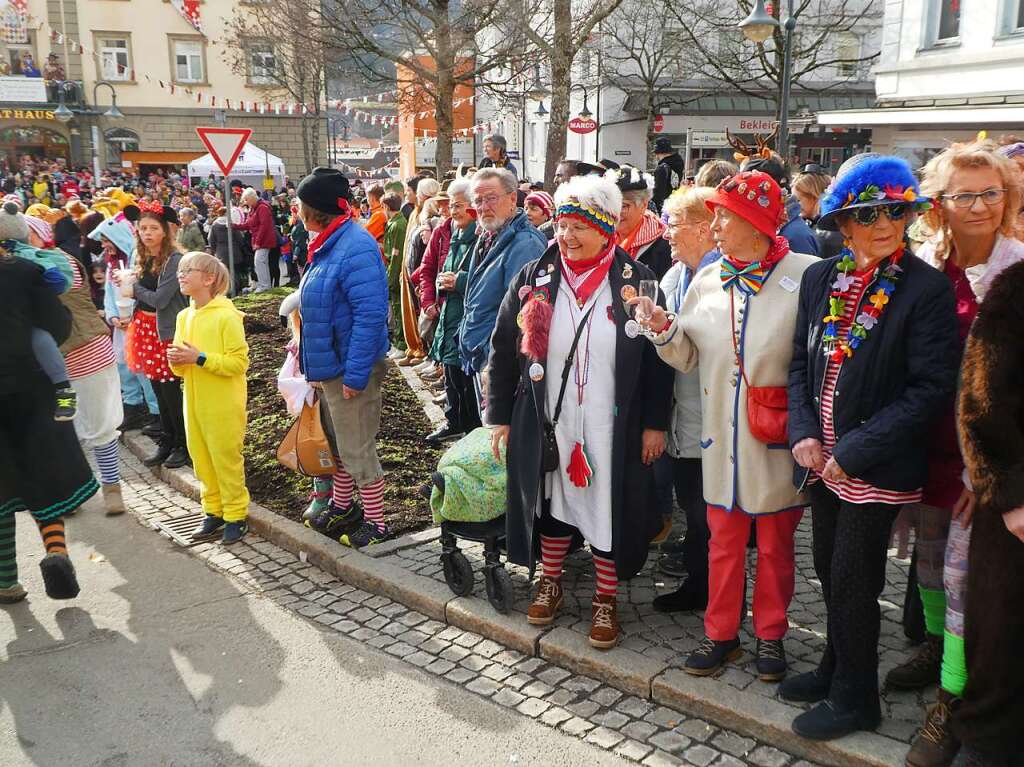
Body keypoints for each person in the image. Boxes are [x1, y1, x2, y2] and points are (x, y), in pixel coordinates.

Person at [786, 155, 958, 741]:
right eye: (868, 213)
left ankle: (857, 698)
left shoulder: (925, 288)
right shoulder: (819, 278)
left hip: (874, 463)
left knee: (855, 579)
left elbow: (930, 388)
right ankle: (834, 667)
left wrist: (855, 449)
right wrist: (804, 432)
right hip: (822, 460)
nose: (885, 224)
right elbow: (798, 367)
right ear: (844, 222)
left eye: (895, 211)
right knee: (829, 571)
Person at [636, 170, 816, 681]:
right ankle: (721, 635)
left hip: (777, 442)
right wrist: (663, 330)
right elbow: (689, 356)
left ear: (756, 224)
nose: (714, 224)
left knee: (778, 547)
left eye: (724, 216)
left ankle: (771, 637)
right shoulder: (708, 278)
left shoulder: (806, 274)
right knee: (723, 543)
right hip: (721, 440)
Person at [488, 174, 673, 649]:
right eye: (562, 225)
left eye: (579, 227)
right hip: (550, 416)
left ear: (607, 227)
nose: (566, 237)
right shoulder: (536, 277)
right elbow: (504, 348)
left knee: (606, 506)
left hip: (613, 422)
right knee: (551, 498)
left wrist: (655, 424)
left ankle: (606, 598)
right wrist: (500, 417)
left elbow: (658, 363)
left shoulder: (639, 283)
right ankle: (550, 580)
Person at [897, 139, 1024, 767]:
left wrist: (993, 468)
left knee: (968, 581)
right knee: (927, 565)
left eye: (991, 193)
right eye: (963, 195)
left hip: (984, 461)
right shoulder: (924, 262)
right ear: (938, 205)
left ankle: (956, 698)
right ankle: (935, 653)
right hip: (927, 449)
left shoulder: (1018, 269)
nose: (979, 207)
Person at [952, 260, 1024, 767]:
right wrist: (1011, 497)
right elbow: (981, 400)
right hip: (1017, 506)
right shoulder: (1016, 290)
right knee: (1002, 639)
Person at [297, 168, 392, 549]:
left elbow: (370, 317)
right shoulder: (330, 241)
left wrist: (354, 376)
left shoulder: (355, 246)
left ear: (313, 209)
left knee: (356, 448)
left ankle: (377, 522)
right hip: (331, 366)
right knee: (336, 444)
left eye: (300, 204)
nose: (296, 210)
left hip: (352, 370)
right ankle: (342, 505)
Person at [0, 243, 95, 604]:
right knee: (46, 480)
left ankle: (6, 579)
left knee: (1, 490)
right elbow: (57, 324)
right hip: (33, 391)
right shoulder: (23, 273)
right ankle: (57, 553)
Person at [649, 186, 720, 613]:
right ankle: (699, 586)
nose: (666, 232)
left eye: (673, 224)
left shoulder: (723, 275)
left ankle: (714, 596)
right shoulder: (675, 274)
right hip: (683, 417)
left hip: (713, 418)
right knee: (696, 511)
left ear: (703, 228)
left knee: (709, 516)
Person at [168, 252, 251, 546]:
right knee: (201, 458)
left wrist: (199, 358)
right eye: (180, 270)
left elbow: (238, 364)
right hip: (193, 401)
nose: (181, 274)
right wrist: (177, 360)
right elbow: (180, 367)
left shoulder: (226, 316)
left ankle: (236, 515)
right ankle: (213, 510)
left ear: (208, 278)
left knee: (225, 458)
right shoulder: (184, 316)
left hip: (223, 404)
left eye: (187, 270)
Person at [459, 168, 547, 410]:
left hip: (500, 365)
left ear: (512, 199)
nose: (484, 206)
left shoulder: (525, 244)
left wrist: (495, 362)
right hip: (483, 357)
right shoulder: (489, 236)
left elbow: (521, 316)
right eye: (478, 200)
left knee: (501, 439)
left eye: (491, 198)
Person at [115, 201, 191, 469]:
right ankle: (168, 440)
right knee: (158, 391)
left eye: (152, 228)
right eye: (142, 228)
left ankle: (184, 445)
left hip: (167, 332)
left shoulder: (175, 260)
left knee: (171, 391)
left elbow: (160, 299)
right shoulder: (143, 257)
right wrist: (126, 285)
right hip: (146, 329)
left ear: (165, 231)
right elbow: (142, 293)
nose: (146, 233)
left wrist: (133, 288)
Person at [0, 202, 77, 420]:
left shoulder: (26, 259)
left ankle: (64, 388)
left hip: (29, 350)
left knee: (39, 337)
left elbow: (56, 291)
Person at [90, 215, 161, 436]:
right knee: (123, 365)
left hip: (138, 321)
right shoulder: (112, 264)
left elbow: (140, 290)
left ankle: (155, 411)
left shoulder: (136, 260)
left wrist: (131, 315)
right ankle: (132, 405)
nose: (103, 246)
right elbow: (109, 295)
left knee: (142, 368)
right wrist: (112, 317)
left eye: (106, 240)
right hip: (120, 325)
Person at [427, 178, 480, 445]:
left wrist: (458, 281)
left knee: (466, 379)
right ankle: (454, 421)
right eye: (450, 205)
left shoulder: (481, 237)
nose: (452, 211)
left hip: (466, 317)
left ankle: (471, 429)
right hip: (450, 313)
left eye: (457, 205)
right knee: (451, 374)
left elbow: (487, 282)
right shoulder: (455, 233)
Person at [396, 178, 440, 366]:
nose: (407, 195)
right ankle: (413, 347)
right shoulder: (416, 213)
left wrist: (416, 274)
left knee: (423, 318)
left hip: (420, 274)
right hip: (411, 273)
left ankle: (422, 350)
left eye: (409, 192)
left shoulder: (428, 218)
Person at [609, 165, 673, 279]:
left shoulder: (664, 244)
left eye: (624, 206)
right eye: (611, 205)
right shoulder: (601, 237)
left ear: (644, 205)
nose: (616, 212)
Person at [792, 167, 844, 259]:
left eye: (798, 200)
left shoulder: (827, 234)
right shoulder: (812, 224)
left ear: (815, 197)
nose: (794, 205)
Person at [381, 193, 408, 353]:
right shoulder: (394, 223)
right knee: (395, 309)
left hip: (395, 273)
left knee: (398, 310)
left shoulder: (398, 225)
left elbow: (396, 254)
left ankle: (401, 343)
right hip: (391, 269)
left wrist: (391, 279)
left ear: (385, 207)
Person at [236, 188, 277, 291]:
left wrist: (258, 242)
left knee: (259, 262)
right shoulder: (254, 208)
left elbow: (264, 226)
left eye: (246, 199)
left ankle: (264, 285)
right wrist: (234, 226)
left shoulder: (262, 208)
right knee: (260, 262)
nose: (246, 202)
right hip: (259, 240)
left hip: (264, 240)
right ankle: (264, 285)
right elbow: (248, 224)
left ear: (252, 198)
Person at [206, 202, 246, 296]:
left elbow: (211, 240)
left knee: (225, 273)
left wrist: (214, 251)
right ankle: (235, 290)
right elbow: (240, 239)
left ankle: (227, 291)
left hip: (221, 253)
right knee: (235, 273)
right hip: (235, 252)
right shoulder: (231, 225)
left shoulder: (215, 226)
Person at [652, 137, 685, 212]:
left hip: (663, 207)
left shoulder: (662, 168)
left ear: (658, 153)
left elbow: (658, 192)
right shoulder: (678, 164)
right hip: (675, 202)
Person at [364, 184, 387, 249]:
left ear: (372, 198)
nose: (367, 200)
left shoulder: (379, 214)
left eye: (367, 197)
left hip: (380, 255)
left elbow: (364, 233)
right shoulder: (381, 211)